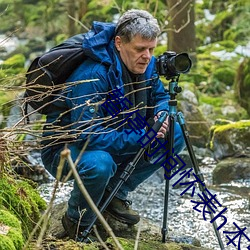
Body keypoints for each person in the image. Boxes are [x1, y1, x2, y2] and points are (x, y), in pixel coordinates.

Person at [41, 9, 185, 241]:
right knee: (100, 164)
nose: (147, 56)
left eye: (151, 49)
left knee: (174, 132)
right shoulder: (92, 75)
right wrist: (143, 136)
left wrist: (161, 114)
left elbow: (159, 96)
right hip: (66, 149)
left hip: (116, 135)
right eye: (140, 49)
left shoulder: (145, 64)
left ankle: (115, 193)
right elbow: (87, 135)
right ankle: (76, 221)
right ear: (119, 43)